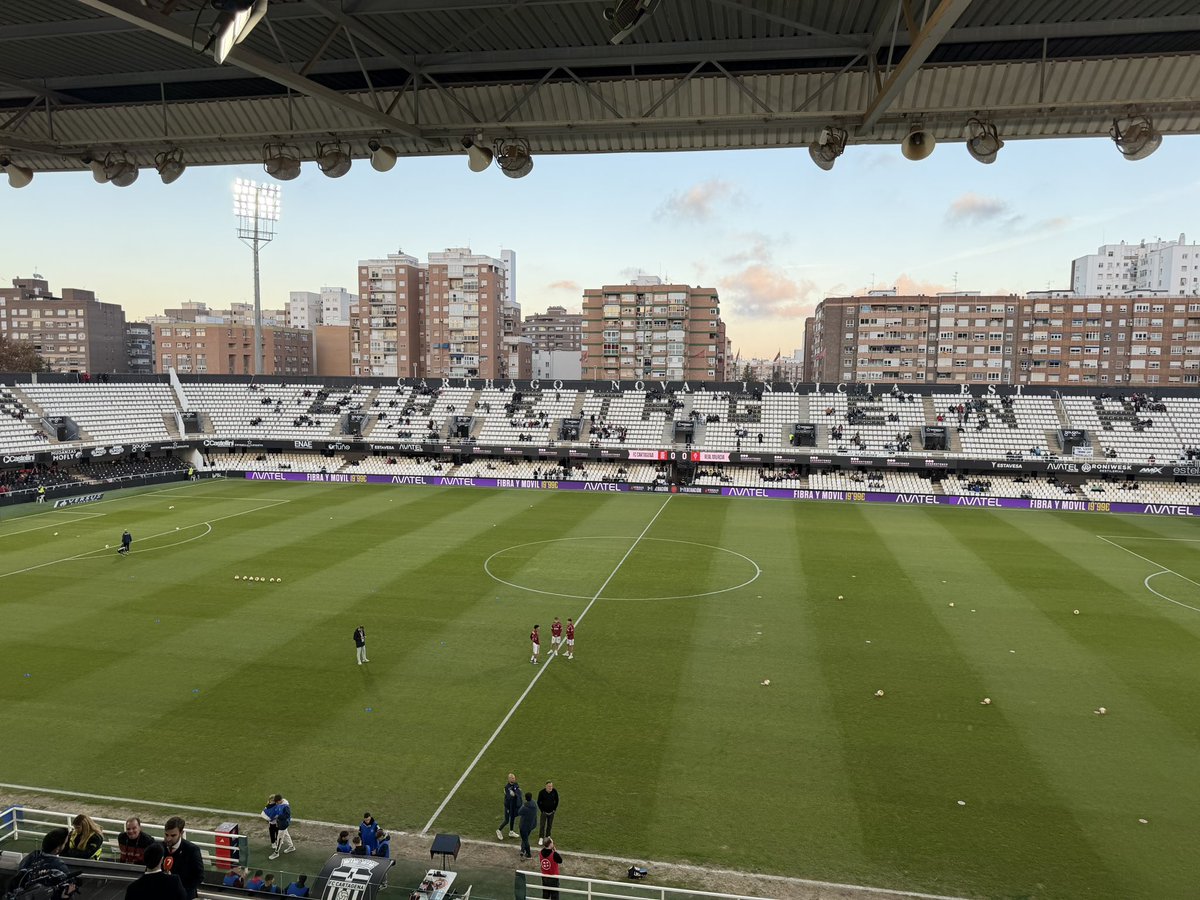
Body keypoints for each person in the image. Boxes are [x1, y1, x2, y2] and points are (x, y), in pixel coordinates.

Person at [14, 827, 77, 899]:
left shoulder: (32, 856)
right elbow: (67, 892)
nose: (65, 846)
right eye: (64, 844)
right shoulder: (59, 866)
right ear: (57, 849)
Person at [161, 816, 205, 900]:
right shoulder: (160, 847)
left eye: (173, 835)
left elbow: (199, 876)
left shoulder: (192, 850)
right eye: (166, 835)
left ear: (181, 833)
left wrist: (182, 891)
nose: (168, 839)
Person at [263, 794, 295, 859]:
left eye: (277, 802)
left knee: (279, 839)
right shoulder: (280, 804)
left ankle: (276, 852)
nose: (276, 803)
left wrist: (279, 817)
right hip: (281, 823)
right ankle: (291, 847)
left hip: (283, 824)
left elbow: (288, 815)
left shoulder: (285, 806)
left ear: (280, 800)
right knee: (286, 835)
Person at [497, 773, 522, 841]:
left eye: (514, 778)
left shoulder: (516, 784)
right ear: (509, 779)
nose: (514, 779)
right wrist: (514, 794)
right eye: (512, 778)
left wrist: (515, 794)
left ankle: (511, 832)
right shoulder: (506, 787)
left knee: (513, 817)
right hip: (508, 806)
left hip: (514, 805)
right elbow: (509, 797)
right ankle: (499, 830)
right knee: (507, 820)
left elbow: (518, 792)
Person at [537, 781, 559, 846]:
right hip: (544, 812)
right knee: (542, 825)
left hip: (551, 812)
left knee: (549, 825)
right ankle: (541, 837)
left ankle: (548, 836)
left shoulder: (554, 791)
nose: (550, 788)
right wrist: (542, 810)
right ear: (546, 786)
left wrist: (554, 809)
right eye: (549, 786)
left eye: (551, 786)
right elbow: (538, 802)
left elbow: (557, 800)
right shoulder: (541, 792)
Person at [517, 792, 537, 860]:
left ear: (525, 798)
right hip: (531, 825)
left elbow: (519, 812)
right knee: (525, 838)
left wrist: (523, 804)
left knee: (525, 840)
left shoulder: (525, 807)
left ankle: (528, 854)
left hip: (524, 826)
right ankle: (522, 850)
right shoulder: (534, 804)